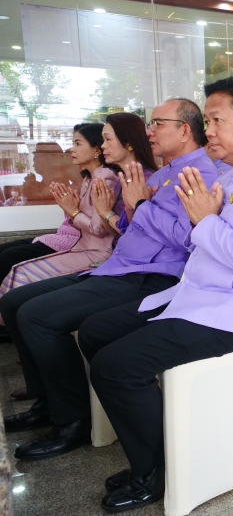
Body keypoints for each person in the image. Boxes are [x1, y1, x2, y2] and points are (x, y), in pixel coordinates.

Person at [73, 77, 233, 513]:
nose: (210, 131)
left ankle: (156, 471)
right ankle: (164, 440)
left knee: (114, 367)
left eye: (217, 121)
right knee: (94, 332)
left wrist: (205, 222)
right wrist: (208, 220)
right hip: (200, 298)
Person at [0, 100, 217, 461]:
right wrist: (132, 209)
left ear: (184, 130)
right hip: (118, 266)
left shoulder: (199, 175)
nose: (149, 131)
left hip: (150, 276)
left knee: (37, 317)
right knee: (13, 302)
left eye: (158, 123)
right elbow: (132, 229)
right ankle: (47, 400)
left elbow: (186, 238)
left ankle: (71, 421)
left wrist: (140, 206)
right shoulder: (163, 173)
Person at [0, 124, 120, 398]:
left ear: (97, 149)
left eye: (78, 144)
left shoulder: (105, 178)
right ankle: (34, 371)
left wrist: (72, 210)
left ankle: (37, 378)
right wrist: (72, 210)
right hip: (81, 246)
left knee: (17, 275)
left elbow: (102, 229)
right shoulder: (92, 176)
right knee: (15, 275)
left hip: (95, 255)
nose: (71, 149)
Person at [90, 112, 160, 237]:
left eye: (108, 139)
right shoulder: (122, 179)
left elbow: (132, 234)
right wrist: (101, 210)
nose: (103, 146)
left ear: (129, 144)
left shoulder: (146, 179)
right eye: (103, 140)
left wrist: (106, 212)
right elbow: (114, 234)